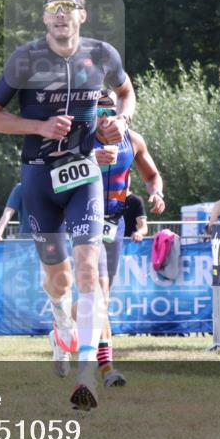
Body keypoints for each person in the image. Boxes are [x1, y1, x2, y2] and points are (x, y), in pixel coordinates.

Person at [0, 0, 135, 411]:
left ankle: (86, 372)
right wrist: (39, 127)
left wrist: (119, 123)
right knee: (58, 280)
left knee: (89, 271)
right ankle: (59, 318)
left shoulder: (103, 55)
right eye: (54, 9)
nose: (62, 15)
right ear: (44, 16)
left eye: (69, 8)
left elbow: (127, 93)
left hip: (85, 177)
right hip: (38, 176)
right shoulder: (25, 60)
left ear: (83, 14)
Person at [90, 90, 165, 387]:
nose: (105, 120)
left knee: (100, 301)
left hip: (116, 222)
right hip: (86, 219)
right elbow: (53, 172)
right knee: (98, 295)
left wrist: (156, 193)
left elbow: (151, 175)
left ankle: (64, 328)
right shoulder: (81, 139)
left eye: (110, 113)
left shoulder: (133, 140)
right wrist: (87, 159)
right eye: (98, 114)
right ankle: (107, 369)